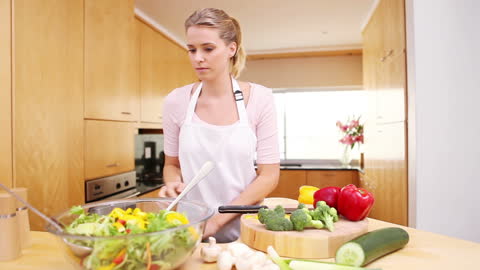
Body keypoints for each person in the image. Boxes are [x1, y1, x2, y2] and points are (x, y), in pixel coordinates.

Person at [158, 8, 280, 243]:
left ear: (231, 49)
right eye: (191, 50)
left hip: (245, 230)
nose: (197, 58)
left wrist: (215, 220)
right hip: (191, 230)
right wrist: (173, 184)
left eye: (208, 49)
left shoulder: (260, 99)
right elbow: (171, 165)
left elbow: (269, 176)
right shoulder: (175, 101)